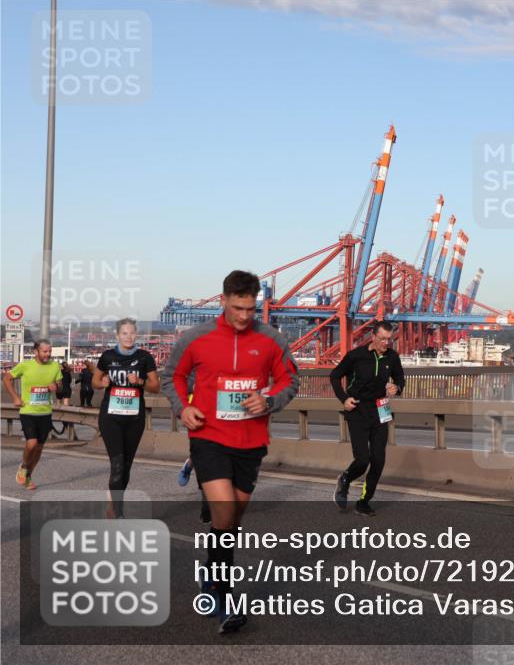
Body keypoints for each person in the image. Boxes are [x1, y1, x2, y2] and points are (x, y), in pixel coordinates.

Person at [162, 270, 300, 634]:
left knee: (232, 521)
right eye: (237, 307)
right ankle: (225, 598)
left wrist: (268, 399)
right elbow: (171, 376)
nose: (243, 316)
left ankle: (211, 567)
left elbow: (289, 379)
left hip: (251, 440)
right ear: (222, 300)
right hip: (208, 435)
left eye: (250, 309)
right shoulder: (197, 337)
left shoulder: (270, 339)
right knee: (224, 512)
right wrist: (182, 408)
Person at [330, 320, 406, 516]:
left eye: (389, 339)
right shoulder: (357, 356)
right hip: (358, 410)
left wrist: (396, 387)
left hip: (381, 410)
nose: (386, 343)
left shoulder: (392, 357)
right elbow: (335, 375)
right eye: (382, 339)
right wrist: (343, 398)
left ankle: (363, 502)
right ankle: (346, 478)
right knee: (363, 459)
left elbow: (400, 379)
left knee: (379, 460)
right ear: (373, 336)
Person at [86, 318, 160, 518]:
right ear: (117, 335)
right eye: (124, 333)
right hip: (111, 418)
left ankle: (114, 502)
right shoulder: (108, 357)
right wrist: (102, 383)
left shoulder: (144, 357)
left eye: (132, 333)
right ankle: (118, 513)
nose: (128, 336)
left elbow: (156, 386)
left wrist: (141, 381)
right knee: (117, 464)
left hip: (134, 419)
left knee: (126, 465)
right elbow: (94, 382)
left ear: (136, 335)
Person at [3, 340, 62, 490]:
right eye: (45, 351)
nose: (48, 354)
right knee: (32, 443)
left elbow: (60, 385)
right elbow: (7, 378)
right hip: (28, 411)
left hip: (45, 412)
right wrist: (16, 397)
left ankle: (28, 475)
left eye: (50, 351)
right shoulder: (25, 365)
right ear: (36, 352)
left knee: (40, 447)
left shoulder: (54, 366)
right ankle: (23, 466)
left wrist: (55, 386)